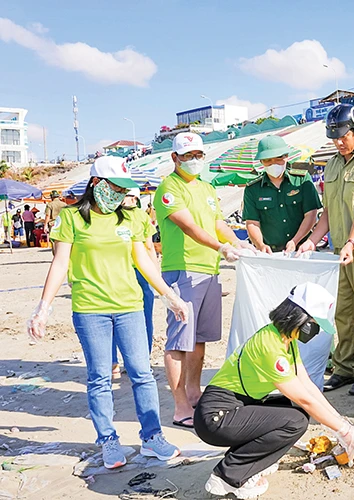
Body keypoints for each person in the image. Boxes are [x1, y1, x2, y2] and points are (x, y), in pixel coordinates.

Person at [27, 156, 188, 470]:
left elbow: (144, 260)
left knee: (142, 374)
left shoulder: (133, 217)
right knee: (99, 378)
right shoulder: (72, 218)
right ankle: (108, 441)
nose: (119, 194)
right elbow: (60, 264)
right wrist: (43, 309)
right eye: (115, 187)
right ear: (96, 184)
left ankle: (152, 438)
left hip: (129, 306)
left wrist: (169, 296)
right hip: (90, 310)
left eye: (124, 189)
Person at [195, 283, 354, 499]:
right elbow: (305, 400)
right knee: (295, 421)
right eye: (314, 323)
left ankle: (251, 464)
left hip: (237, 406)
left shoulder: (285, 340)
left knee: (289, 409)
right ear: (300, 318)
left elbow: (308, 387)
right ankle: (229, 476)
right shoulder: (270, 346)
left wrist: (343, 423)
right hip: (216, 416)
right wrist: (345, 432)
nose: (315, 330)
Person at [154, 132, 255, 429]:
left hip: (208, 271)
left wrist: (239, 243)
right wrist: (221, 248)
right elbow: (189, 227)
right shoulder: (168, 189)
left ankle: (195, 391)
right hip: (182, 270)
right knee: (178, 340)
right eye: (188, 156)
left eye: (198, 155)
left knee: (199, 339)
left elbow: (217, 224)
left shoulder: (207, 188)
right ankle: (180, 405)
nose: (194, 161)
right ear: (175, 158)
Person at [298, 104, 354, 396]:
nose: (338, 141)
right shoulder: (333, 165)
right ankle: (345, 367)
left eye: (343, 136)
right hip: (342, 248)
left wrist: (351, 242)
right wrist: (313, 239)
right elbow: (328, 212)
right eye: (334, 137)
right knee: (344, 311)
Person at [243, 135, 322, 253]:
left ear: (286, 157)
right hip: (271, 253)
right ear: (261, 162)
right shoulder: (252, 189)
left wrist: (295, 241)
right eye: (267, 160)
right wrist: (260, 245)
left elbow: (311, 214)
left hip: (302, 249)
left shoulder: (301, 180)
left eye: (278, 158)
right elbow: (252, 223)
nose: (273, 163)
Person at [111, 188, 158, 380]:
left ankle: (114, 362)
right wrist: (155, 274)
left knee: (113, 316)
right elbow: (149, 248)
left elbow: (149, 247)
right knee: (143, 316)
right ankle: (141, 360)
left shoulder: (109, 215)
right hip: (136, 270)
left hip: (121, 270)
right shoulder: (140, 216)